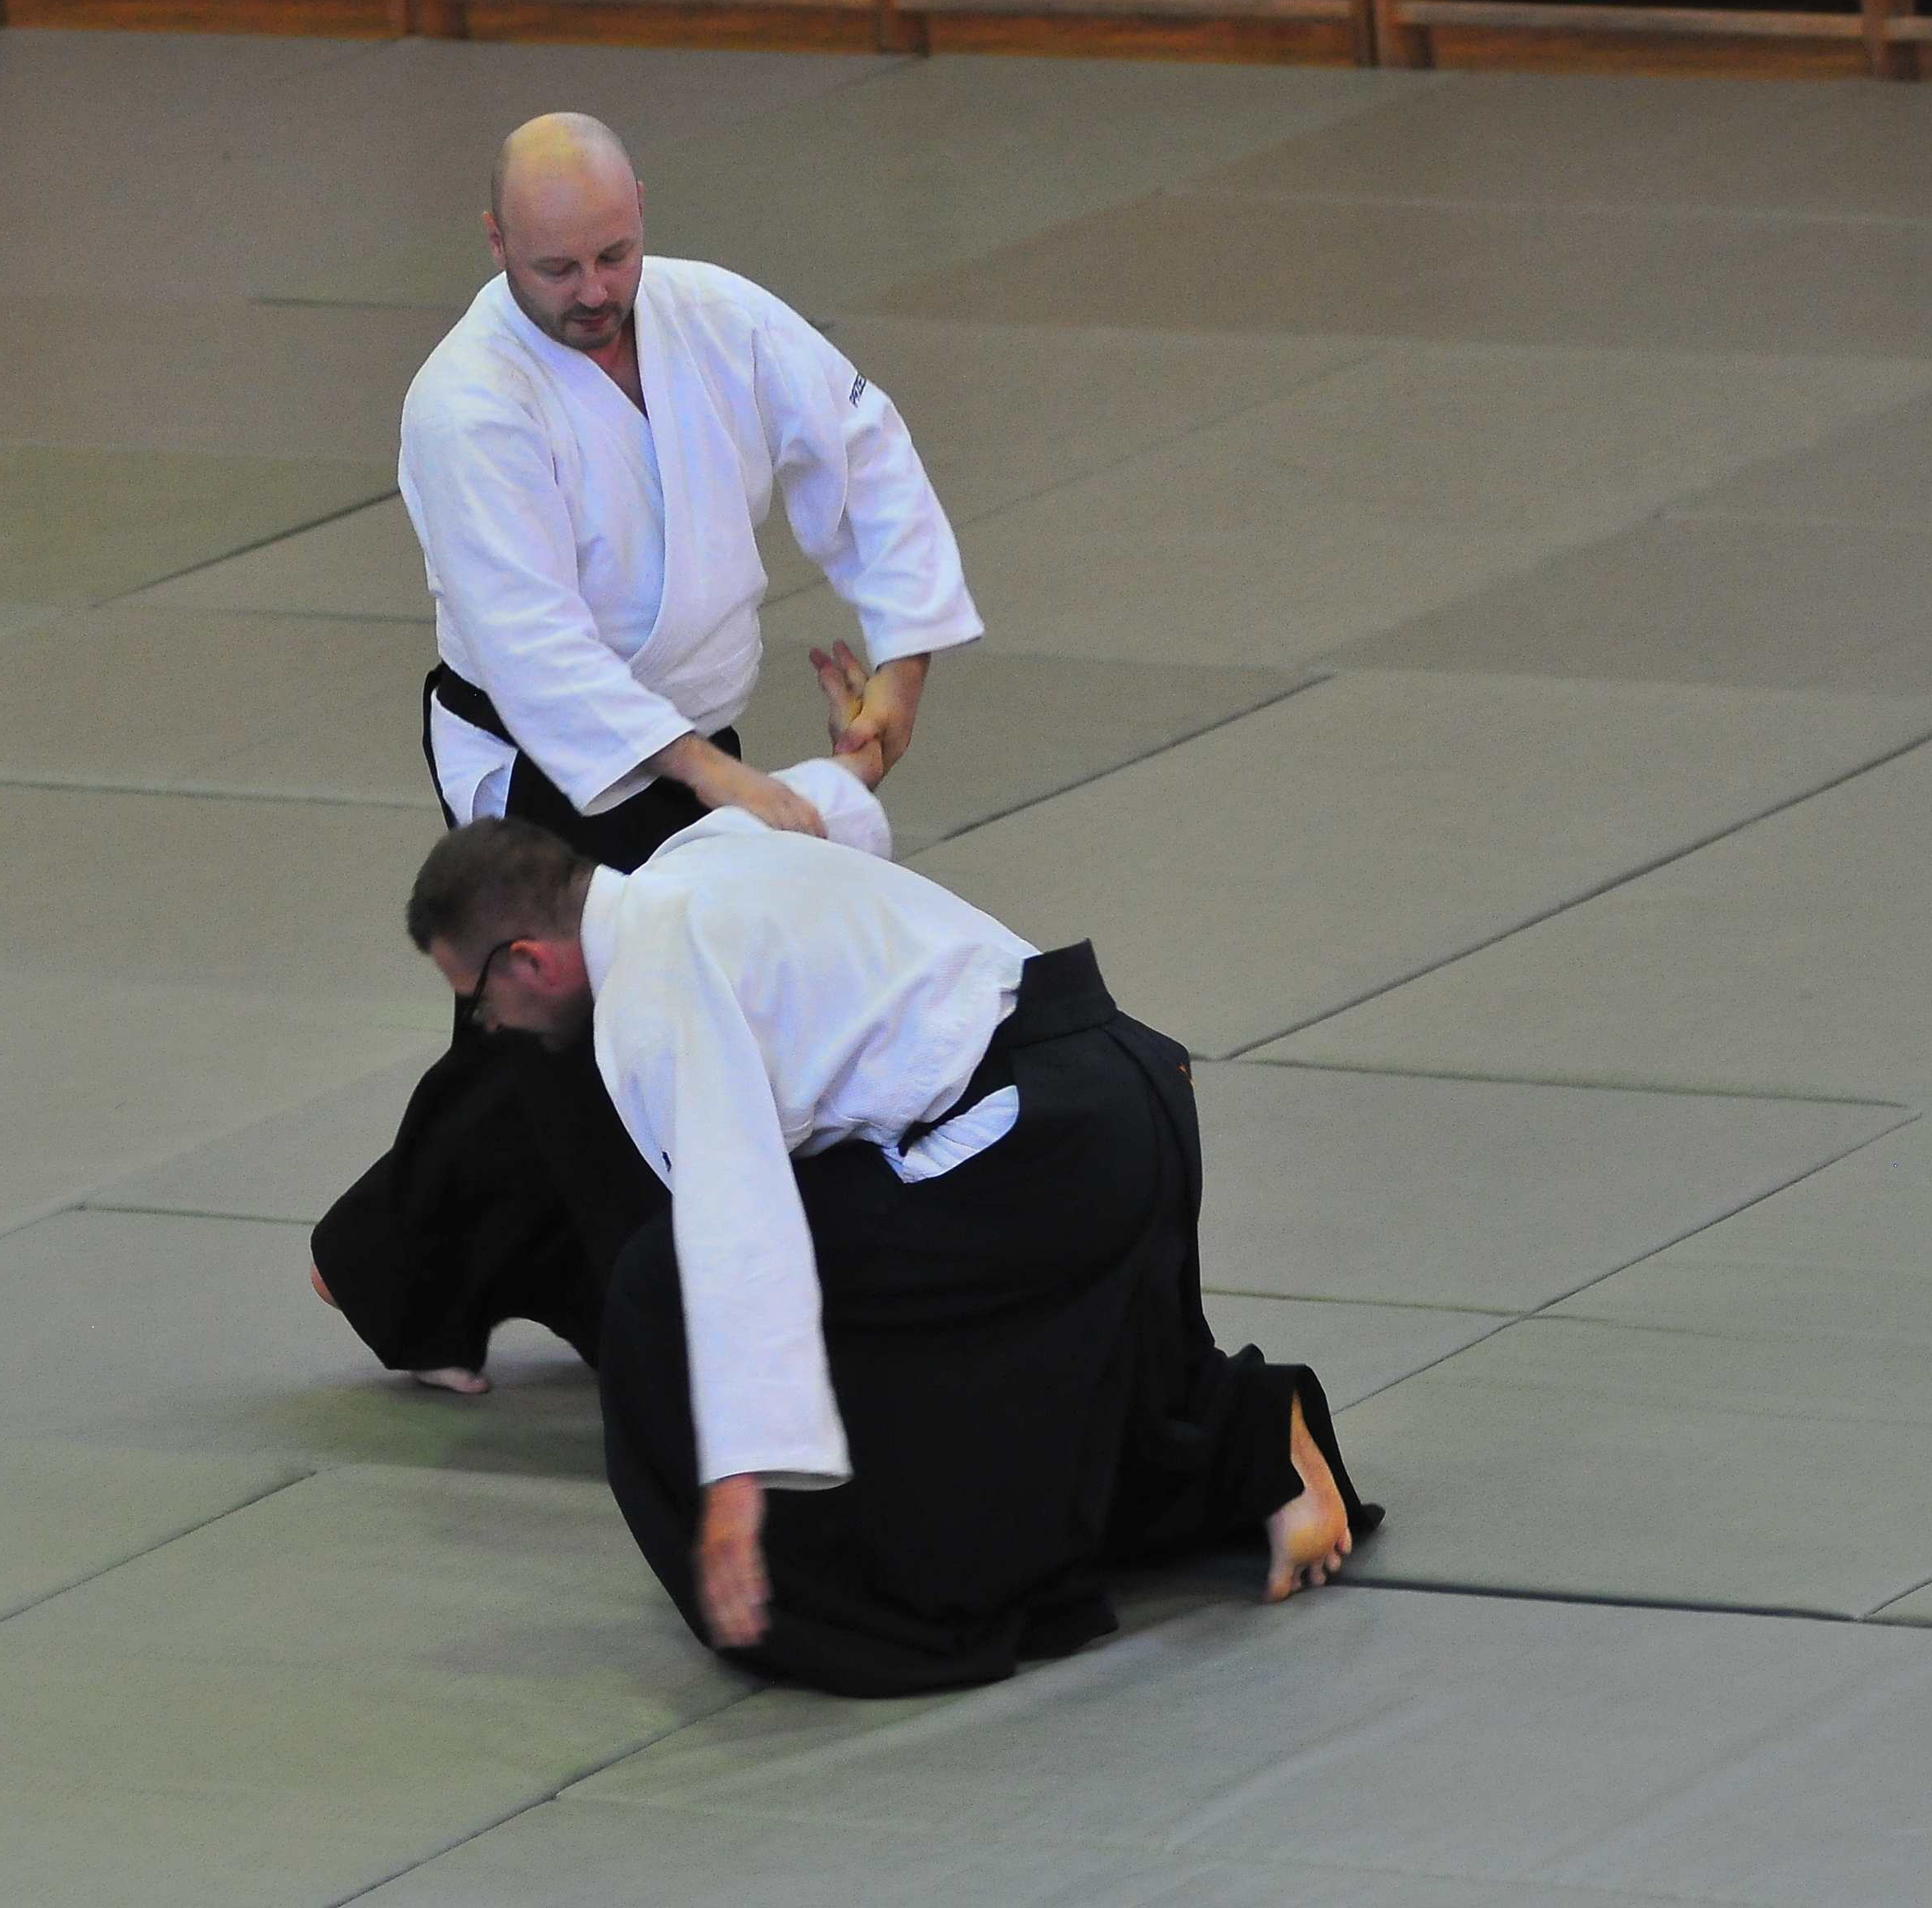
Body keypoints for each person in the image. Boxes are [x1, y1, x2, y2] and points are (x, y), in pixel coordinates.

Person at [395, 770, 1379, 1698]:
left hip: (1039, 1155)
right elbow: (818, 803)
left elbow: (738, 1227)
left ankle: (842, 1600)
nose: (490, 1026)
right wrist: (863, 749)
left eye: (477, 999)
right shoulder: (701, 852)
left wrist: (736, 1483)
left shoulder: (652, 997)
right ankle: (1244, 1440)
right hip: (1127, 1090)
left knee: (660, 1288)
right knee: (882, 1264)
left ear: (528, 959)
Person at [312, 111, 984, 1395]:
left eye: (614, 256)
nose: (594, 291)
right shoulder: (467, 402)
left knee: (570, 1027)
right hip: (543, 751)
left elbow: (864, 450)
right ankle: (583, 1310)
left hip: (688, 736)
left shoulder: (714, 314)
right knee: (579, 1030)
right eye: (557, 267)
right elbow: (532, 643)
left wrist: (904, 663)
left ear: (642, 218)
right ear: (496, 241)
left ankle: (399, 1264)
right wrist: (724, 782)